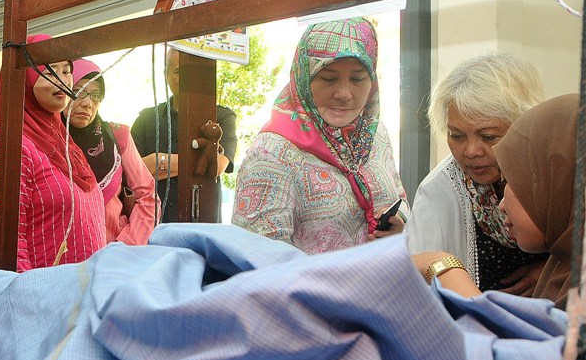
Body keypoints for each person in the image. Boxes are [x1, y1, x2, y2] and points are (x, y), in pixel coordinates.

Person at [232, 17, 406, 254]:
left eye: (357, 78)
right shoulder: (271, 154)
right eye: (328, 78)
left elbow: (398, 196)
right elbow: (259, 258)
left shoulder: (373, 135)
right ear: (304, 77)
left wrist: (399, 223)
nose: (344, 93)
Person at [415, 94, 577, 309]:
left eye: (510, 181)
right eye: (457, 135)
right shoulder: (564, 268)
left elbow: (513, 330)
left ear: (558, 189)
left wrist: (444, 268)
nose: (471, 151)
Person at [406, 54, 546, 293]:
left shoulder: (552, 175)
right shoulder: (439, 190)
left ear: (523, 125)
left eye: (488, 136)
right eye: (457, 136)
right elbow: (417, 282)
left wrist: (554, 271)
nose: (470, 151)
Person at [0, 34, 105, 271]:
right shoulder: (4, 142)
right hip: (42, 291)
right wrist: (28, 293)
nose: (62, 79)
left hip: (87, 289)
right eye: (50, 70)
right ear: (25, 75)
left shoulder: (63, 142)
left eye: (67, 71)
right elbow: (4, 244)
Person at [130, 47, 237, 223]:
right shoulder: (146, 120)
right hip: (153, 226)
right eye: (179, 72)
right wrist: (199, 165)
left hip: (203, 225)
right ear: (166, 75)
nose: (187, 79)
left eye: (193, 73)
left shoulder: (222, 117)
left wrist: (158, 160)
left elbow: (216, 167)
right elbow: (133, 173)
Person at [65, 59, 158, 245]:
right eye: (78, 91)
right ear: (63, 91)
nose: (87, 103)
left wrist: (127, 245)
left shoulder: (118, 136)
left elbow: (148, 197)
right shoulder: (48, 140)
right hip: (64, 252)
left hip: (113, 250)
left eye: (95, 95)